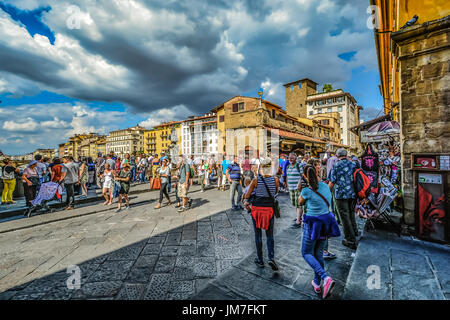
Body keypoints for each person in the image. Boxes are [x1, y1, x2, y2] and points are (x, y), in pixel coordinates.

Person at [298, 165, 340, 299]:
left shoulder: (306, 191)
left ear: (305, 176)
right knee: (318, 254)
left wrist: (302, 184)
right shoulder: (325, 186)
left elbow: (300, 202)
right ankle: (317, 283)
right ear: (317, 173)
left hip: (313, 224)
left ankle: (325, 278)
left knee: (306, 252)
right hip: (325, 223)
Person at [243, 158, 279, 271]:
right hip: (269, 210)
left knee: (258, 235)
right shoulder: (276, 180)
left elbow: (247, 196)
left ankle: (260, 259)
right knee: (270, 236)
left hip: (257, 211)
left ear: (261, 167)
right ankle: (271, 258)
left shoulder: (255, 181)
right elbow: (275, 192)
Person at [328, 148, 358, 249]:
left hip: (341, 195)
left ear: (337, 155)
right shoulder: (353, 164)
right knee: (351, 213)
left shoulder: (336, 166)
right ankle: (355, 232)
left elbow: (332, 182)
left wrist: (326, 193)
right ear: (346, 155)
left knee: (344, 217)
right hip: (353, 194)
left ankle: (350, 240)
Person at [284, 153, 305, 229]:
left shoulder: (298, 165)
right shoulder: (288, 166)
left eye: (292, 158)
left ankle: (298, 221)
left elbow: (302, 176)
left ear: (295, 159)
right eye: (289, 158)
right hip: (291, 188)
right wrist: (287, 185)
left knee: (299, 204)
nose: (290, 159)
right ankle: (299, 217)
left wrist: (299, 185)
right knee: (295, 203)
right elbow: (287, 176)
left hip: (297, 188)